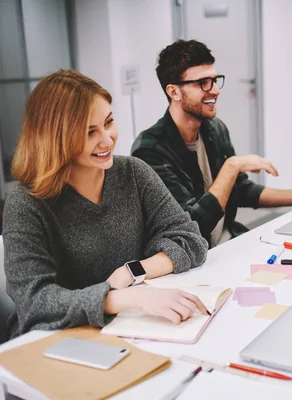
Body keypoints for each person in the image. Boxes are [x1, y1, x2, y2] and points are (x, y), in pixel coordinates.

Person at [3, 70, 210, 339]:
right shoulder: (26, 202)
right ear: (55, 139)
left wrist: (130, 272)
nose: (107, 139)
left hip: (127, 324)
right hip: (56, 338)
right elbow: (36, 301)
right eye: (89, 133)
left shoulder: (132, 172)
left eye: (109, 122)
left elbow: (191, 240)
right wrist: (120, 298)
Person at [132, 40, 292, 247]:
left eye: (215, 80)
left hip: (230, 243)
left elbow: (241, 190)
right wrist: (232, 166)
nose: (215, 90)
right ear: (174, 92)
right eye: (203, 82)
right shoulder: (149, 151)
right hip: (196, 258)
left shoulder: (214, 128)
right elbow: (192, 226)